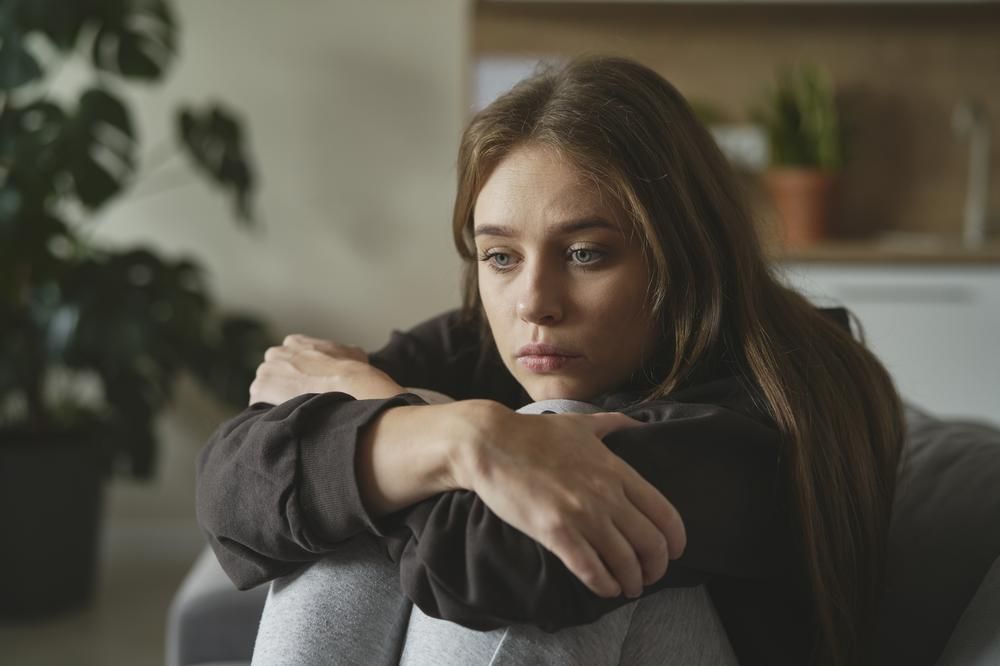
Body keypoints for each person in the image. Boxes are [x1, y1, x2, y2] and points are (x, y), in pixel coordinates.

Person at [195, 55, 904, 666]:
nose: (534, 302)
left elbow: (507, 570)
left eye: (586, 253)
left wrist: (390, 408)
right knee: (354, 494)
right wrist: (459, 438)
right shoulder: (490, 339)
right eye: (500, 257)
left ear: (683, 255)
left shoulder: (767, 403)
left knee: (534, 444)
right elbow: (232, 488)